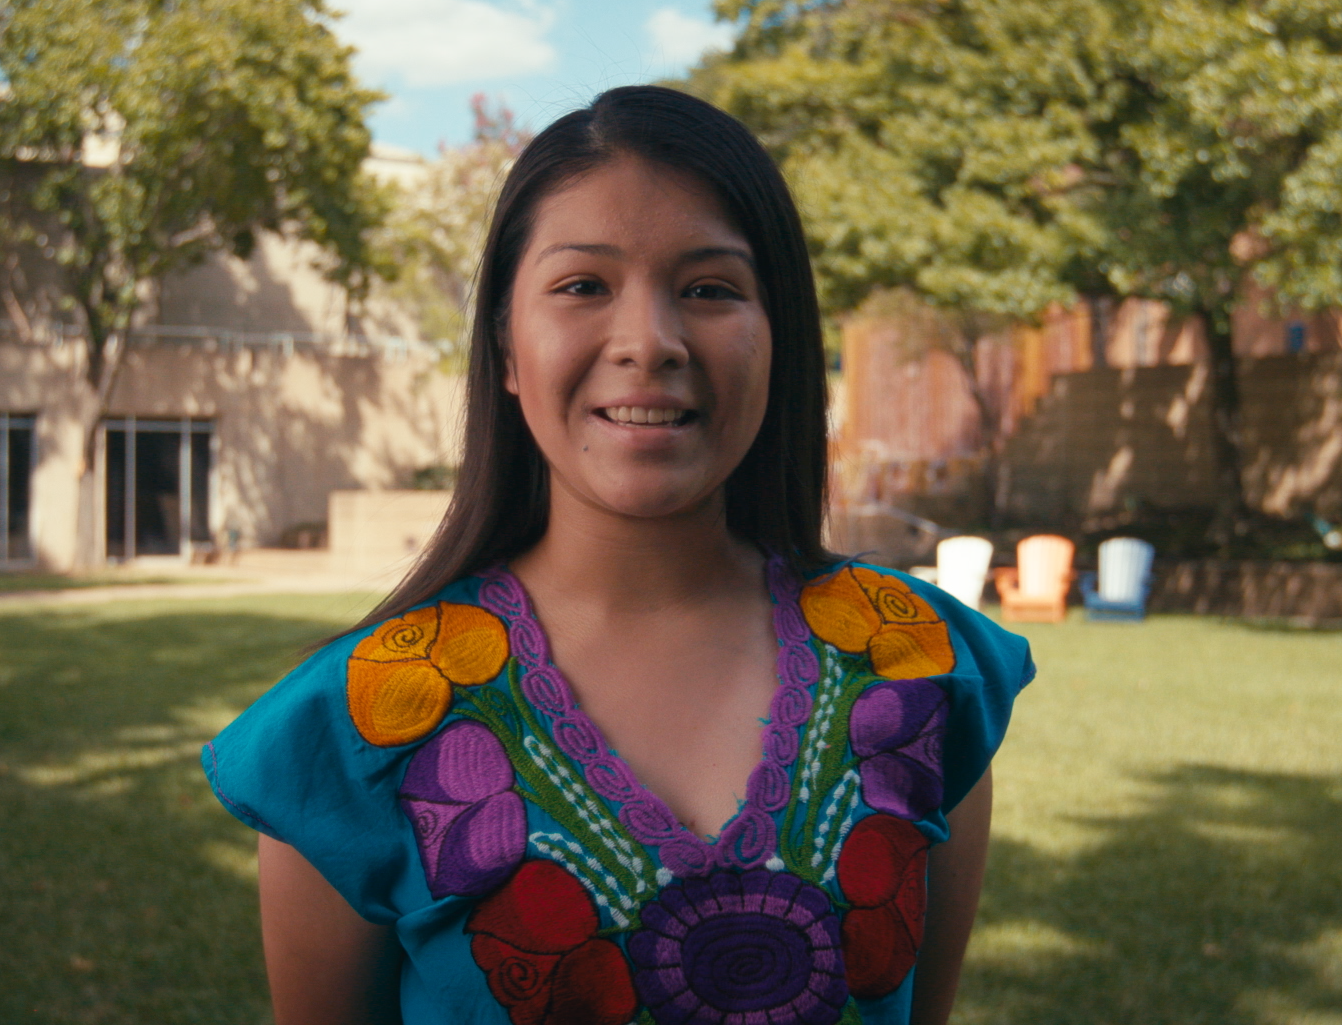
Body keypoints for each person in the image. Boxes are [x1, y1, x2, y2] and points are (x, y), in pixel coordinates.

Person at [202, 86, 1034, 1025]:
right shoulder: (351, 729)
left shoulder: (917, 664)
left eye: (711, 288)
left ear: (782, 342)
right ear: (507, 352)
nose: (650, 342)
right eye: (582, 286)